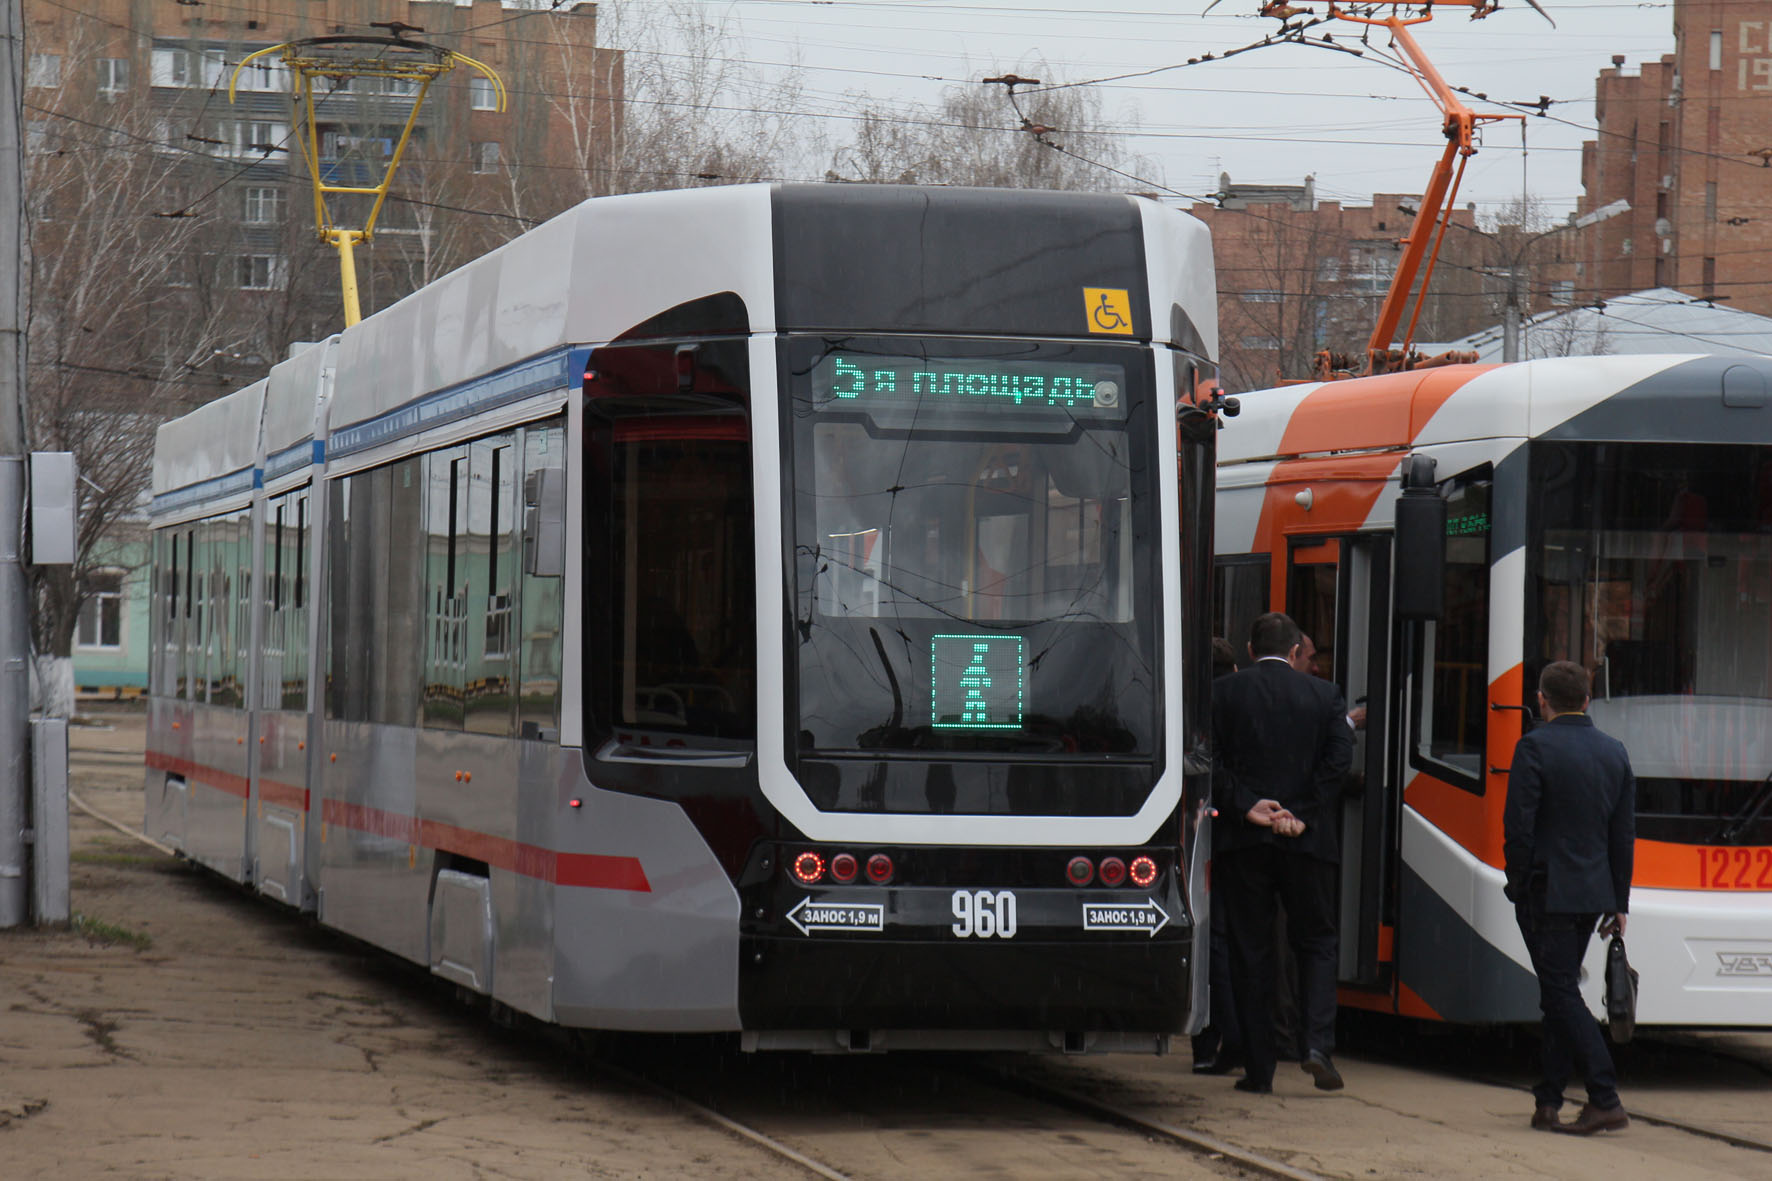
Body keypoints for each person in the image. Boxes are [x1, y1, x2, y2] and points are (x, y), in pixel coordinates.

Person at [1211, 612, 1353, 1094]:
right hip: (1306, 844)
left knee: (1251, 950)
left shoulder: (1223, 693)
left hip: (1244, 842)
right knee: (1315, 941)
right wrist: (1300, 813)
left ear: (1250, 650)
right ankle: (1316, 1045)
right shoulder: (1325, 696)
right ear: (1296, 652)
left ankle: (1259, 1068)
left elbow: (1204, 758)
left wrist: (1248, 804)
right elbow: (1337, 763)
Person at [1504, 660, 1636, 1135]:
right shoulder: (1614, 751)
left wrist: (1516, 881)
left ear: (1542, 700)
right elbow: (1623, 835)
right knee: (1557, 993)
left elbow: (1518, 825)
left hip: (1546, 890)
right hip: (1594, 894)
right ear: (1587, 700)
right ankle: (1548, 1100)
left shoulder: (1534, 746)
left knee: (1559, 991)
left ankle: (1604, 1096)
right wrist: (1619, 901)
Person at [1191, 637, 1244, 1075]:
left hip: (1208, 835)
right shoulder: (1245, 698)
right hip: (1249, 834)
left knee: (1212, 942)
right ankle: (1243, 1033)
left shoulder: (1199, 704)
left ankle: (1211, 1040)